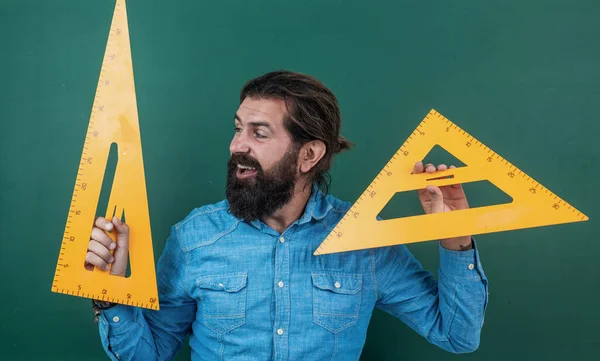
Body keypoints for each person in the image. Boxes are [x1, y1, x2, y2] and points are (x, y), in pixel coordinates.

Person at [86, 70, 488, 361]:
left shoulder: (365, 241)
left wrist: (456, 238)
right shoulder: (194, 238)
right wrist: (112, 292)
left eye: (259, 133)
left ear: (309, 155)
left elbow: (456, 335)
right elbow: (148, 354)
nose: (236, 146)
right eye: (238, 128)